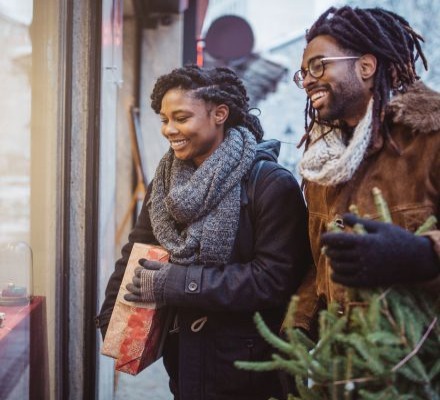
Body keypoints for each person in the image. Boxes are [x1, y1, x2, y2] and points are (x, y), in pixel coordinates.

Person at [97, 64, 310, 400]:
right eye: (165, 119)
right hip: (184, 362)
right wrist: (113, 320)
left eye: (181, 117)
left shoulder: (270, 184)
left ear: (219, 114)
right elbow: (136, 254)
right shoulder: (165, 183)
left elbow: (274, 280)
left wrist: (176, 283)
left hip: (252, 370)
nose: (169, 129)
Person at [292, 6, 440, 335]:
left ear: (366, 66)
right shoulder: (322, 163)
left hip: (419, 372)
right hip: (344, 372)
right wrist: (298, 326)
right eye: (303, 72)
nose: (307, 81)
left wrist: (423, 256)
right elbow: (321, 264)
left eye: (318, 66)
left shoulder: (431, 136)